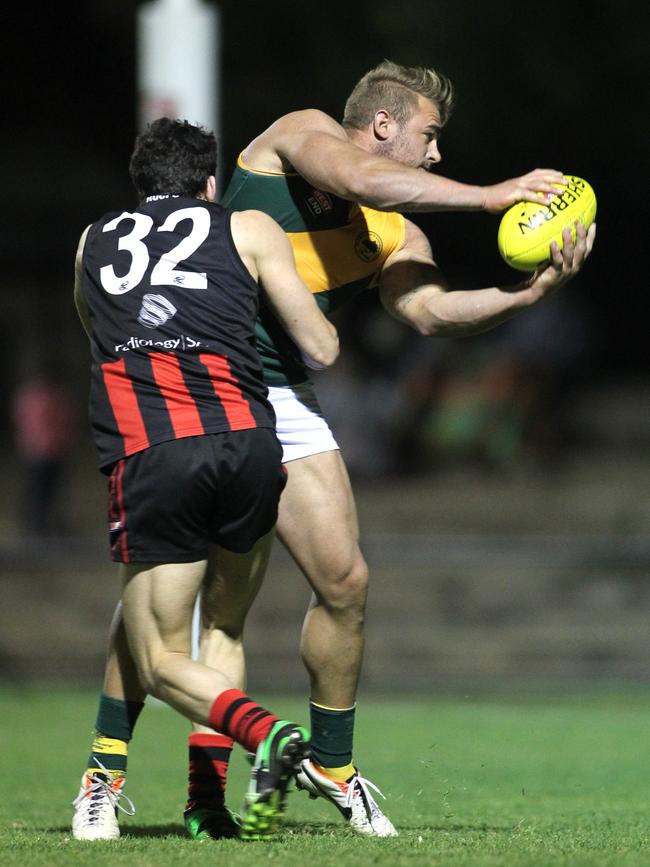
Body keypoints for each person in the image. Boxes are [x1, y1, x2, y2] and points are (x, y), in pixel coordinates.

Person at [73, 61, 596, 840]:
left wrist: (527, 296)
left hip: (278, 396)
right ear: (384, 124)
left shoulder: (396, 232)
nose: (436, 155)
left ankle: (331, 763)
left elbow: (429, 310)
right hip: (196, 381)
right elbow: (367, 179)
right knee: (161, 600)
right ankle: (105, 771)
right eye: (430, 136)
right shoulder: (299, 136)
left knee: (343, 579)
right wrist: (494, 196)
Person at [71, 117, 339, 842]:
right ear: (210, 183)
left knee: (155, 652)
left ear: (138, 184)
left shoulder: (93, 239)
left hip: (156, 447)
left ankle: (269, 739)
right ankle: (205, 804)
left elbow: (97, 327)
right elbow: (320, 346)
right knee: (222, 623)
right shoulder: (249, 227)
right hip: (252, 445)